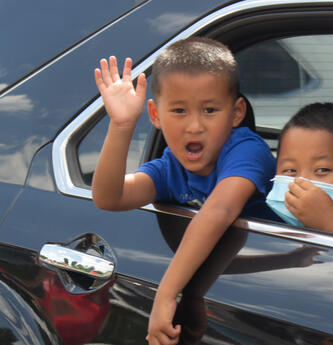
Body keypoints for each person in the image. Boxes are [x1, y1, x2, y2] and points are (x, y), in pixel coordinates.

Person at [92, 37, 275, 345]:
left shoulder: (247, 151)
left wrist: (166, 294)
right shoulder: (169, 168)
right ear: (155, 115)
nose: (194, 126)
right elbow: (110, 197)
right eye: (178, 110)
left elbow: (220, 211)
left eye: (210, 110)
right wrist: (122, 126)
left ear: (236, 112)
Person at [266, 102, 333, 239]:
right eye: (290, 171)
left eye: (322, 170)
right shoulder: (267, 235)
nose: (302, 182)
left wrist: (329, 223)